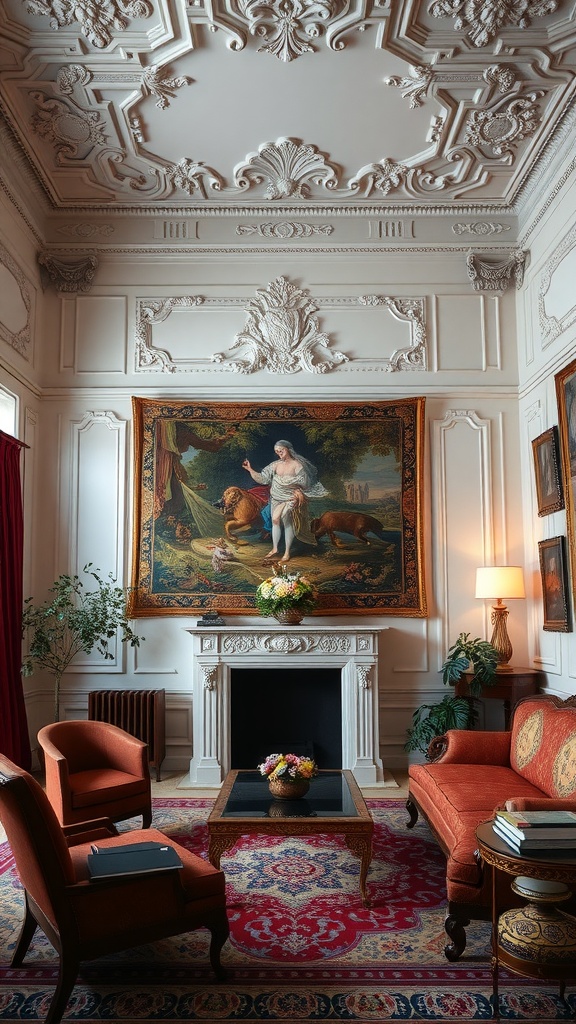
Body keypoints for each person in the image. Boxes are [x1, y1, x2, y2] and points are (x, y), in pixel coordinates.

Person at [242, 440, 327, 562]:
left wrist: (298, 491)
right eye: (277, 451)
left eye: (281, 450)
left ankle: (287, 552)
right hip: (277, 497)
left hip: (290, 498)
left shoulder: (297, 465)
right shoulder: (275, 465)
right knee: (275, 519)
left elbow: (306, 484)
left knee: (286, 520)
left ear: (288, 449)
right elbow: (263, 479)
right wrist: (250, 469)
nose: (279, 453)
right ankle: (275, 548)